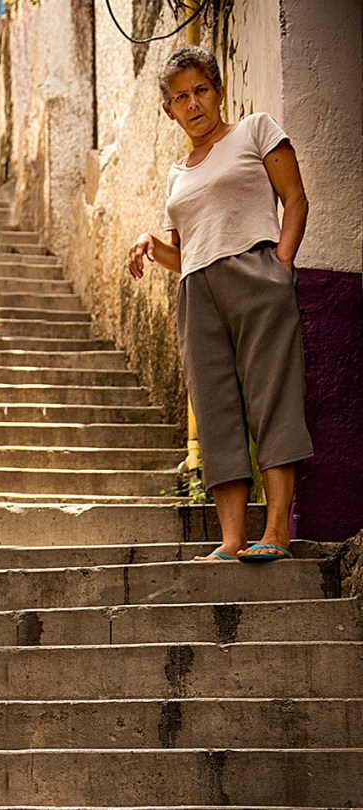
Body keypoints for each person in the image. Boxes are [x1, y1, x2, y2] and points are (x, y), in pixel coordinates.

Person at [127, 45, 313, 562]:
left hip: (256, 274)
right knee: (215, 411)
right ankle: (231, 541)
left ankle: (275, 533)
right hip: (196, 291)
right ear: (168, 109)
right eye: (180, 97)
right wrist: (150, 242)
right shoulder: (176, 173)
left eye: (201, 90)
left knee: (272, 396)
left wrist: (282, 265)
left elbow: (294, 197)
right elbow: (184, 252)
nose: (193, 104)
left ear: (219, 89)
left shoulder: (256, 130)